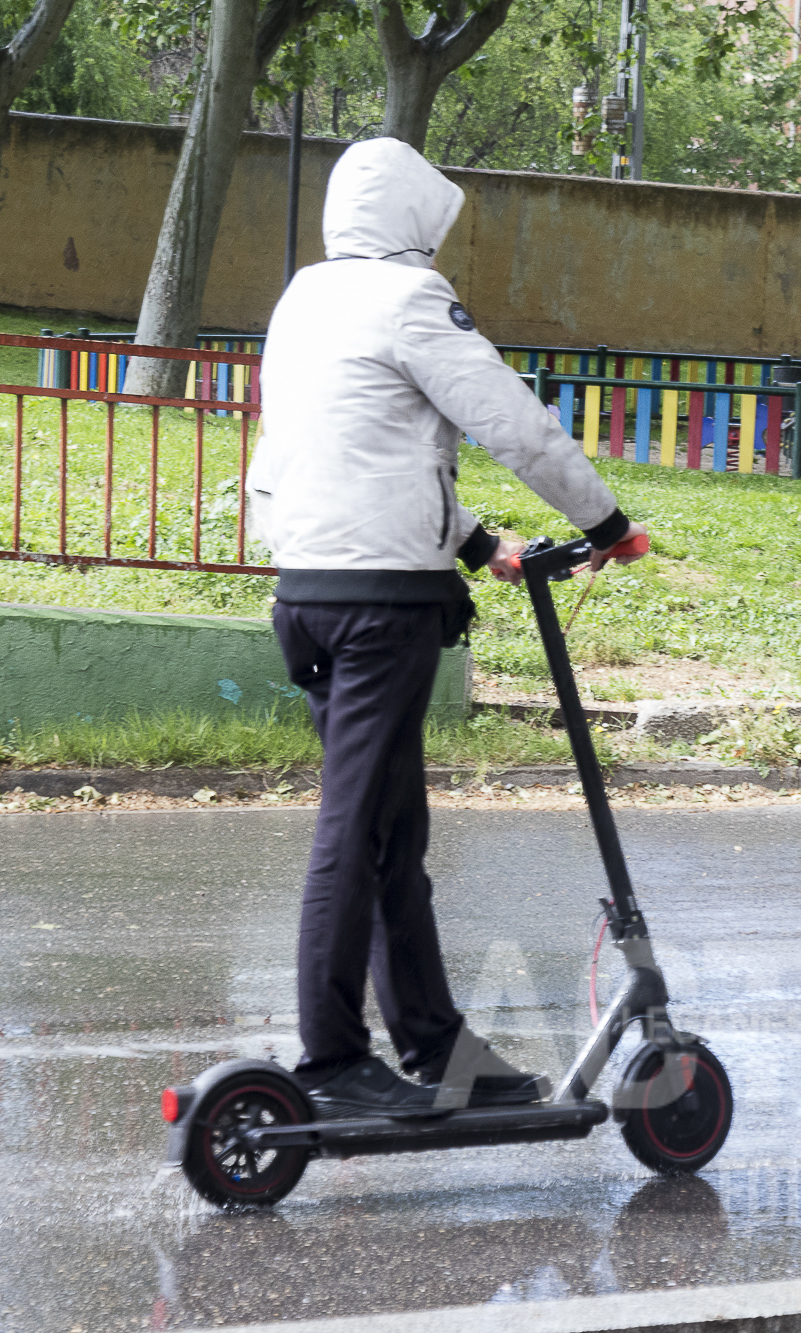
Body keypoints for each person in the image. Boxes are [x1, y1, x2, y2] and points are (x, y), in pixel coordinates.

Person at [246, 137, 647, 1119]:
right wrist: (605, 522)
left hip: (306, 593)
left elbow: (349, 447)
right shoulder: (411, 299)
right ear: (414, 221)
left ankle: (435, 1044)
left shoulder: (304, 298)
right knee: (356, 827)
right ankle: (332, 1057)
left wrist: (474, 545)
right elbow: (510, 422)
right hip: (381, 608)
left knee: (389, 828)